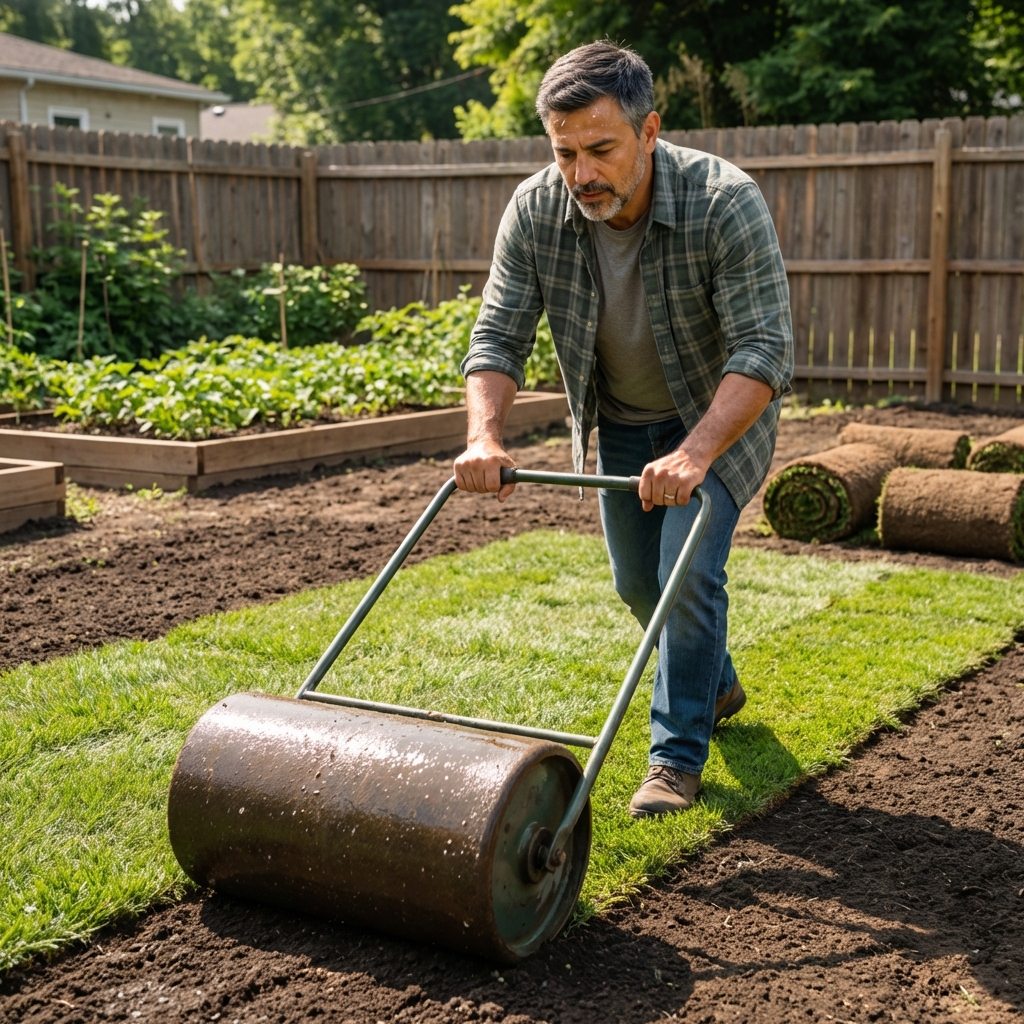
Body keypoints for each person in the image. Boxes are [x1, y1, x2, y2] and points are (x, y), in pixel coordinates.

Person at [454, 41, 793, 818]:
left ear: (649, 131)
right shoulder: (539, 208)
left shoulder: (722, 199)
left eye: (601, 149)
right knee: (637, 584)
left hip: (719, 419)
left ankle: (675, 759)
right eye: (565, 152)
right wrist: (485, 435)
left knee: (687, 576)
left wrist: (697, 451)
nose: (582, 174)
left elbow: (764, 349)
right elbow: (498, 337)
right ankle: (719, 682)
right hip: (624, 423)